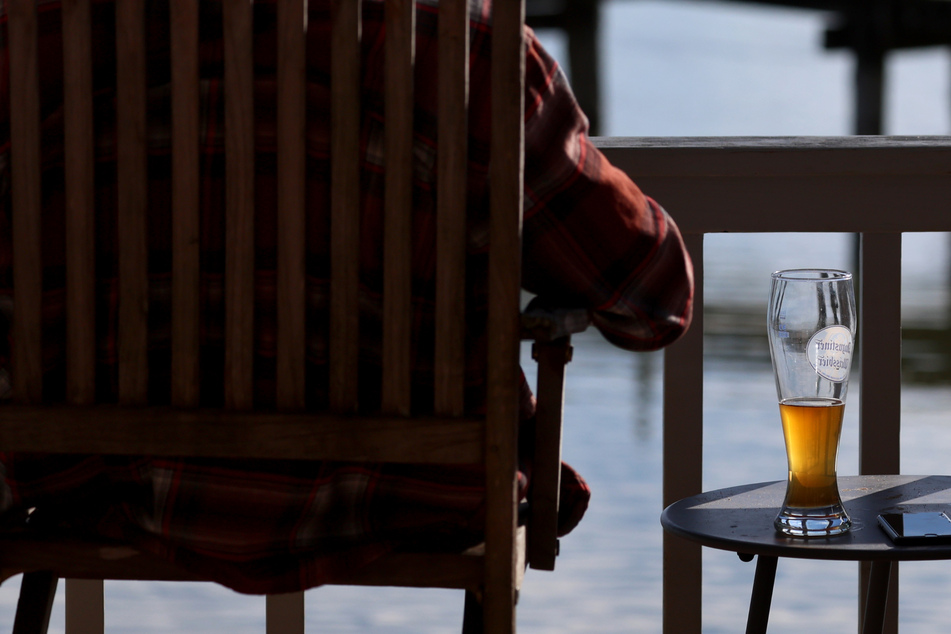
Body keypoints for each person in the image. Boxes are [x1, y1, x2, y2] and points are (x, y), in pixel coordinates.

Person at [0, 0, 693, 593]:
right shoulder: (467, 39)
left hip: (82, 481)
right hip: (409, 488)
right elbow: (645, 299)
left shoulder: (35, 26)